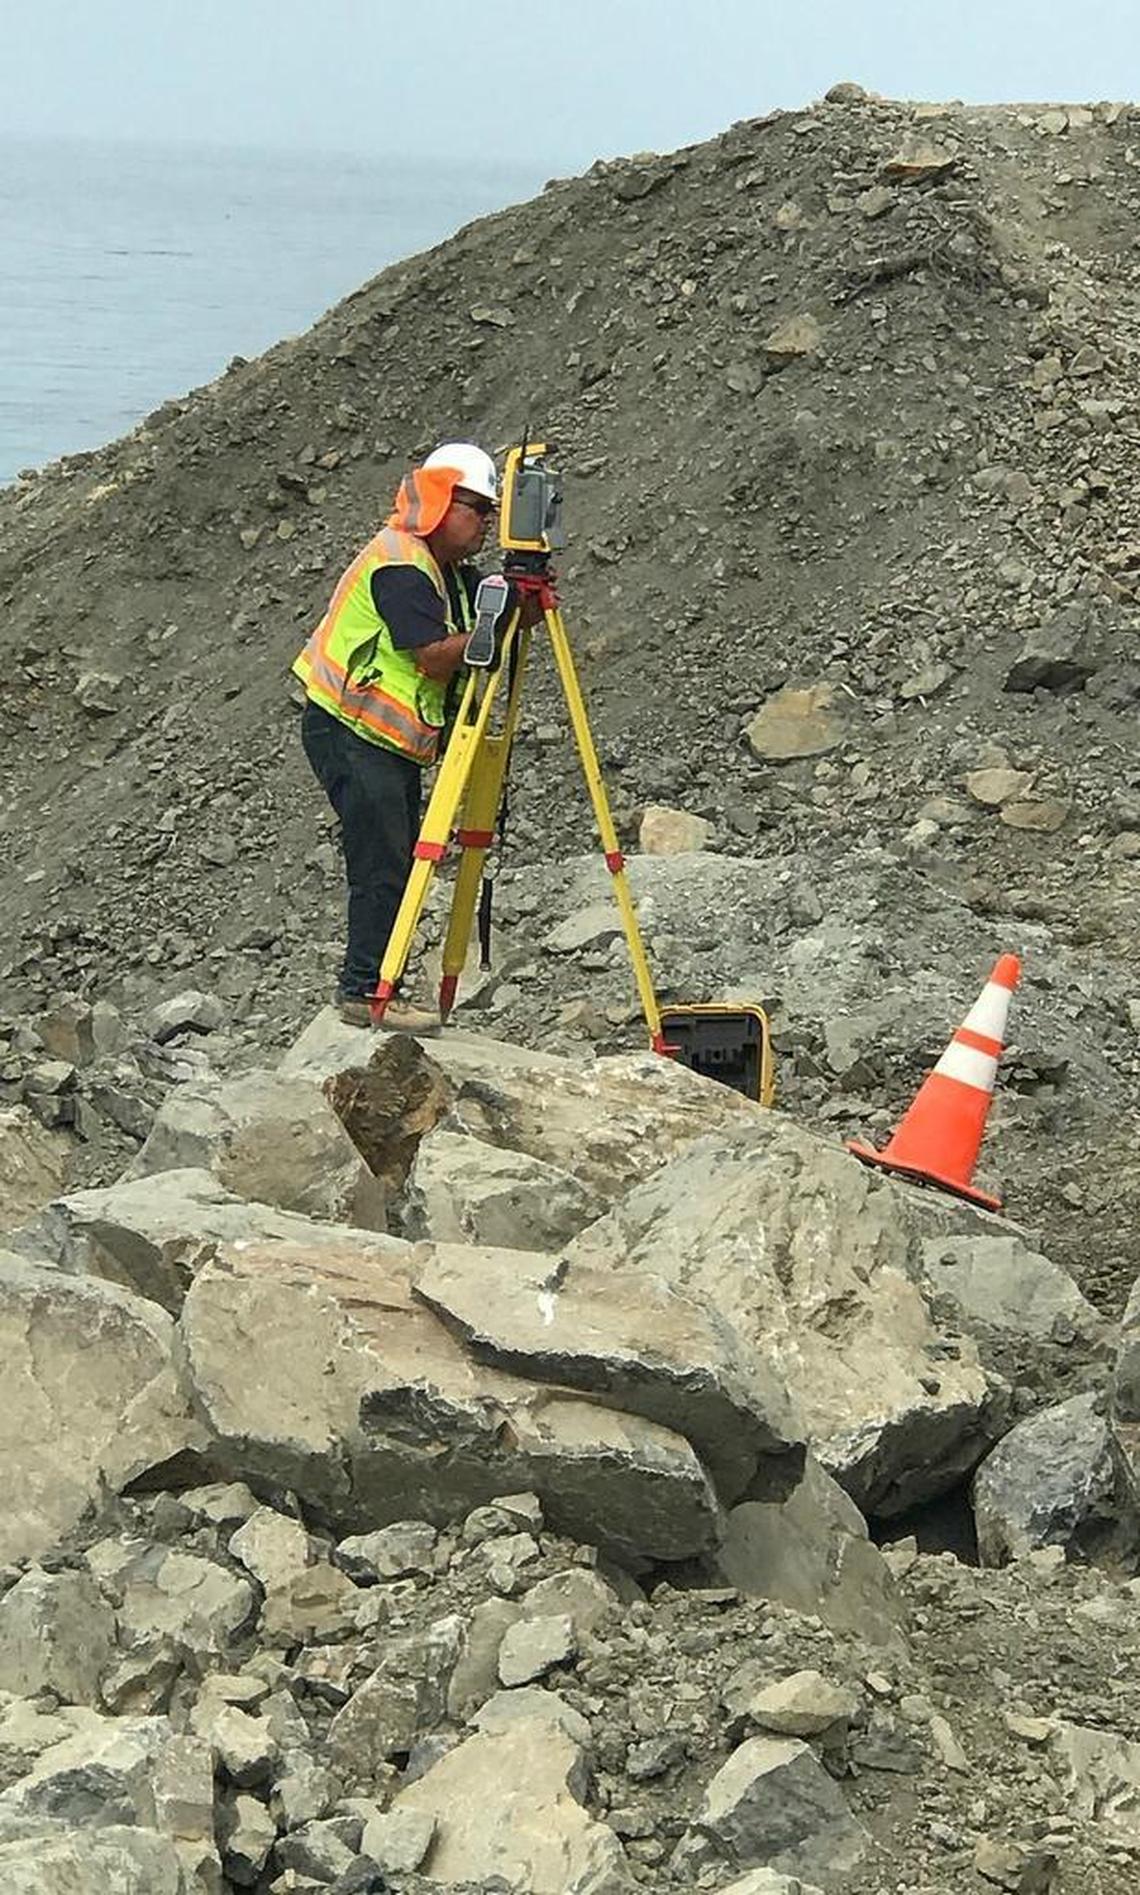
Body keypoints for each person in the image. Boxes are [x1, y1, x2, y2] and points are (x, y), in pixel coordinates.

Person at [294, 442, 498, 1031]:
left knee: (399, 860)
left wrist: (511, 609)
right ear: (439, 501)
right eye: (474, 508)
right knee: (383, 863)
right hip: (351, 730)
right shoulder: (403, 565)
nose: (484, 522)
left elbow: (476, 626)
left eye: (489, 512)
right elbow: (434, 657)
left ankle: (379, 984)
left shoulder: (449, 572)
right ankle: (364, 992)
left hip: (384, 739)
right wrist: (498, 624)